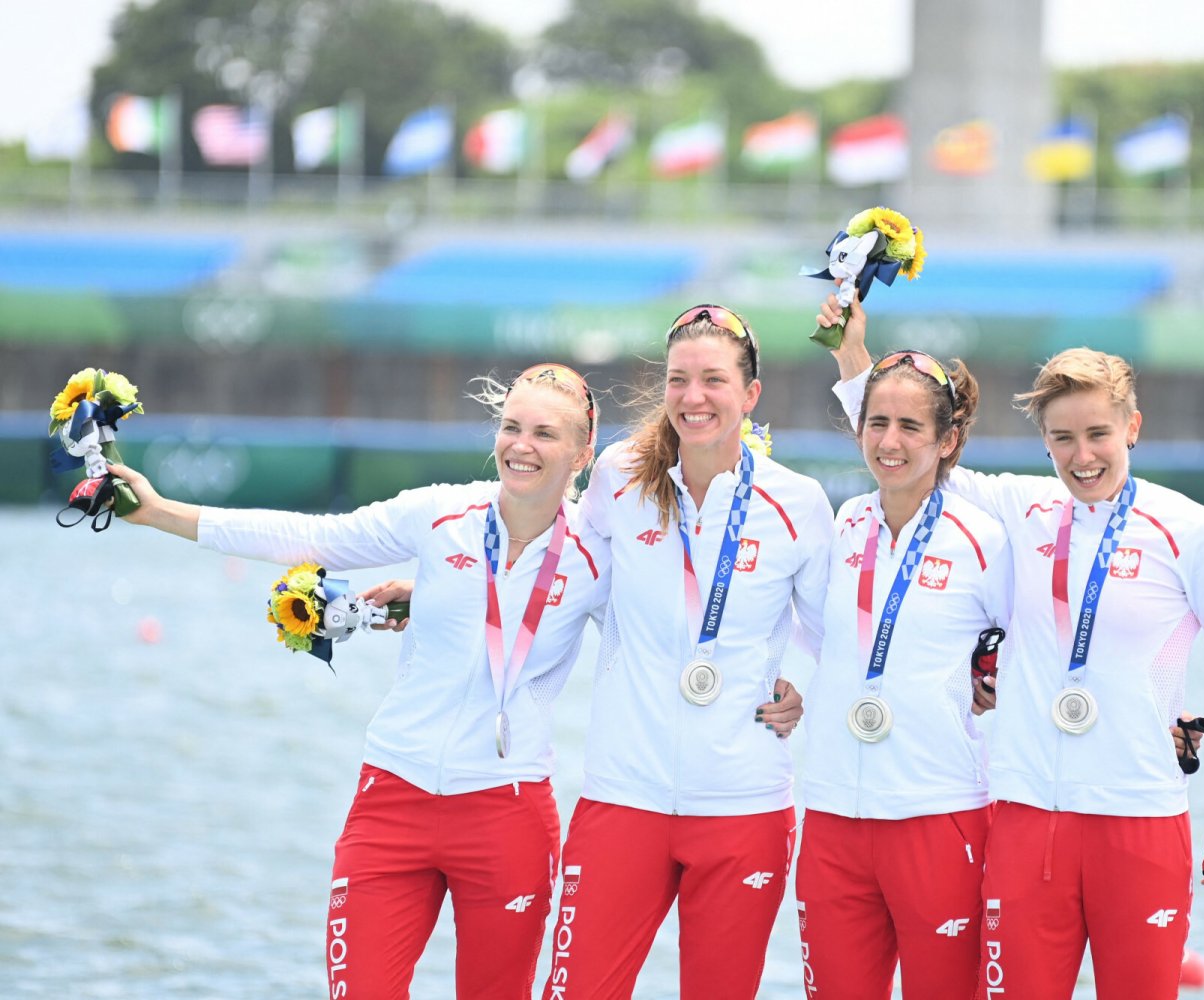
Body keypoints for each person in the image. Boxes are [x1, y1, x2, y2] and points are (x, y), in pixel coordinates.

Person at [822, 294, 1204, 1000]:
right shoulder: (1022, 508)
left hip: (1141, 821)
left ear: (1133, 427)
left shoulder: (1192, 530)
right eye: (1063, 439)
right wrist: (853, 355)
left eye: (1099, 434)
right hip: (1027, 823)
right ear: (1044, 443)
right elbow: (904, 452)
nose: (1082, 456)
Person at [108, 363, 608, 1000]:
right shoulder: (438, 514)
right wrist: (160, 513)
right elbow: (310, 536)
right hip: (392, 800)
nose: (521, 445)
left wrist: (771, 686)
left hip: (507, 815)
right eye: (511, 427)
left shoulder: (599, 556)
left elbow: (660, 643)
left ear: (582, 453)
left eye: (544, 433)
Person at [546, 304, 831, 1000]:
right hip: (623, 794)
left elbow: (831, 635)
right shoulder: (619, 476)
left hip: (743, 805)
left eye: (712, 380)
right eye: (678, 380)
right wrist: (431, 589)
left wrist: (796, 682)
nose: (693, 397)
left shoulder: (798, 502)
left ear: (750, 395)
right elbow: (563, 578)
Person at [795, 348, 1013, 999]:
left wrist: (992, 681)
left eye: (911, 427)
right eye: (877, 423)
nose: (890, 442)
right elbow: (811, 641)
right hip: (833, 815)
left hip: (938, 816)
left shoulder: (984, 539)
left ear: (947, 441)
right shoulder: (841, 525)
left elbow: (1032, 655)